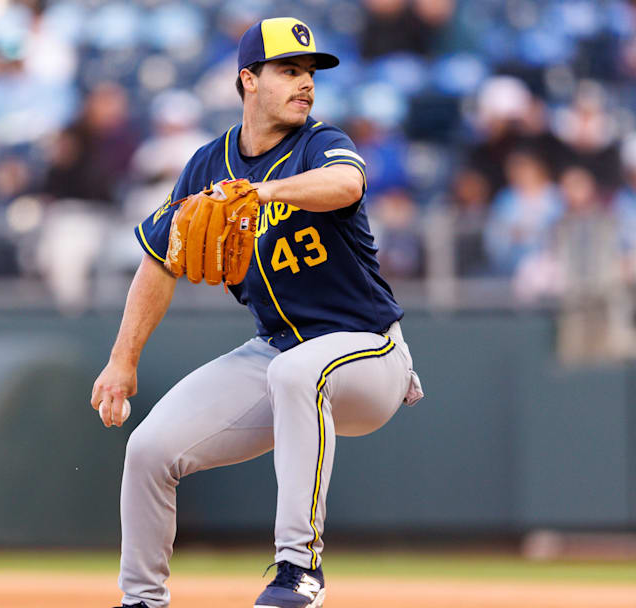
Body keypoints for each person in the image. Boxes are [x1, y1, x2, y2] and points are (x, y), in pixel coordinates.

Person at [90, 18, 424, 608]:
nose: (306, 85)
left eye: (310, 73)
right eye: (289, 71)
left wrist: (262, 194)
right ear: (248, 79)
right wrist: (121, 361)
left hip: (367, 352)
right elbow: (159, 262)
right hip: (275, 349)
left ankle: (299, 568)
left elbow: (346, 184)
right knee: (147, 451)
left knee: (296, 373)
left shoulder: (318, 143)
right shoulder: (207, 164)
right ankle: (141, 600)